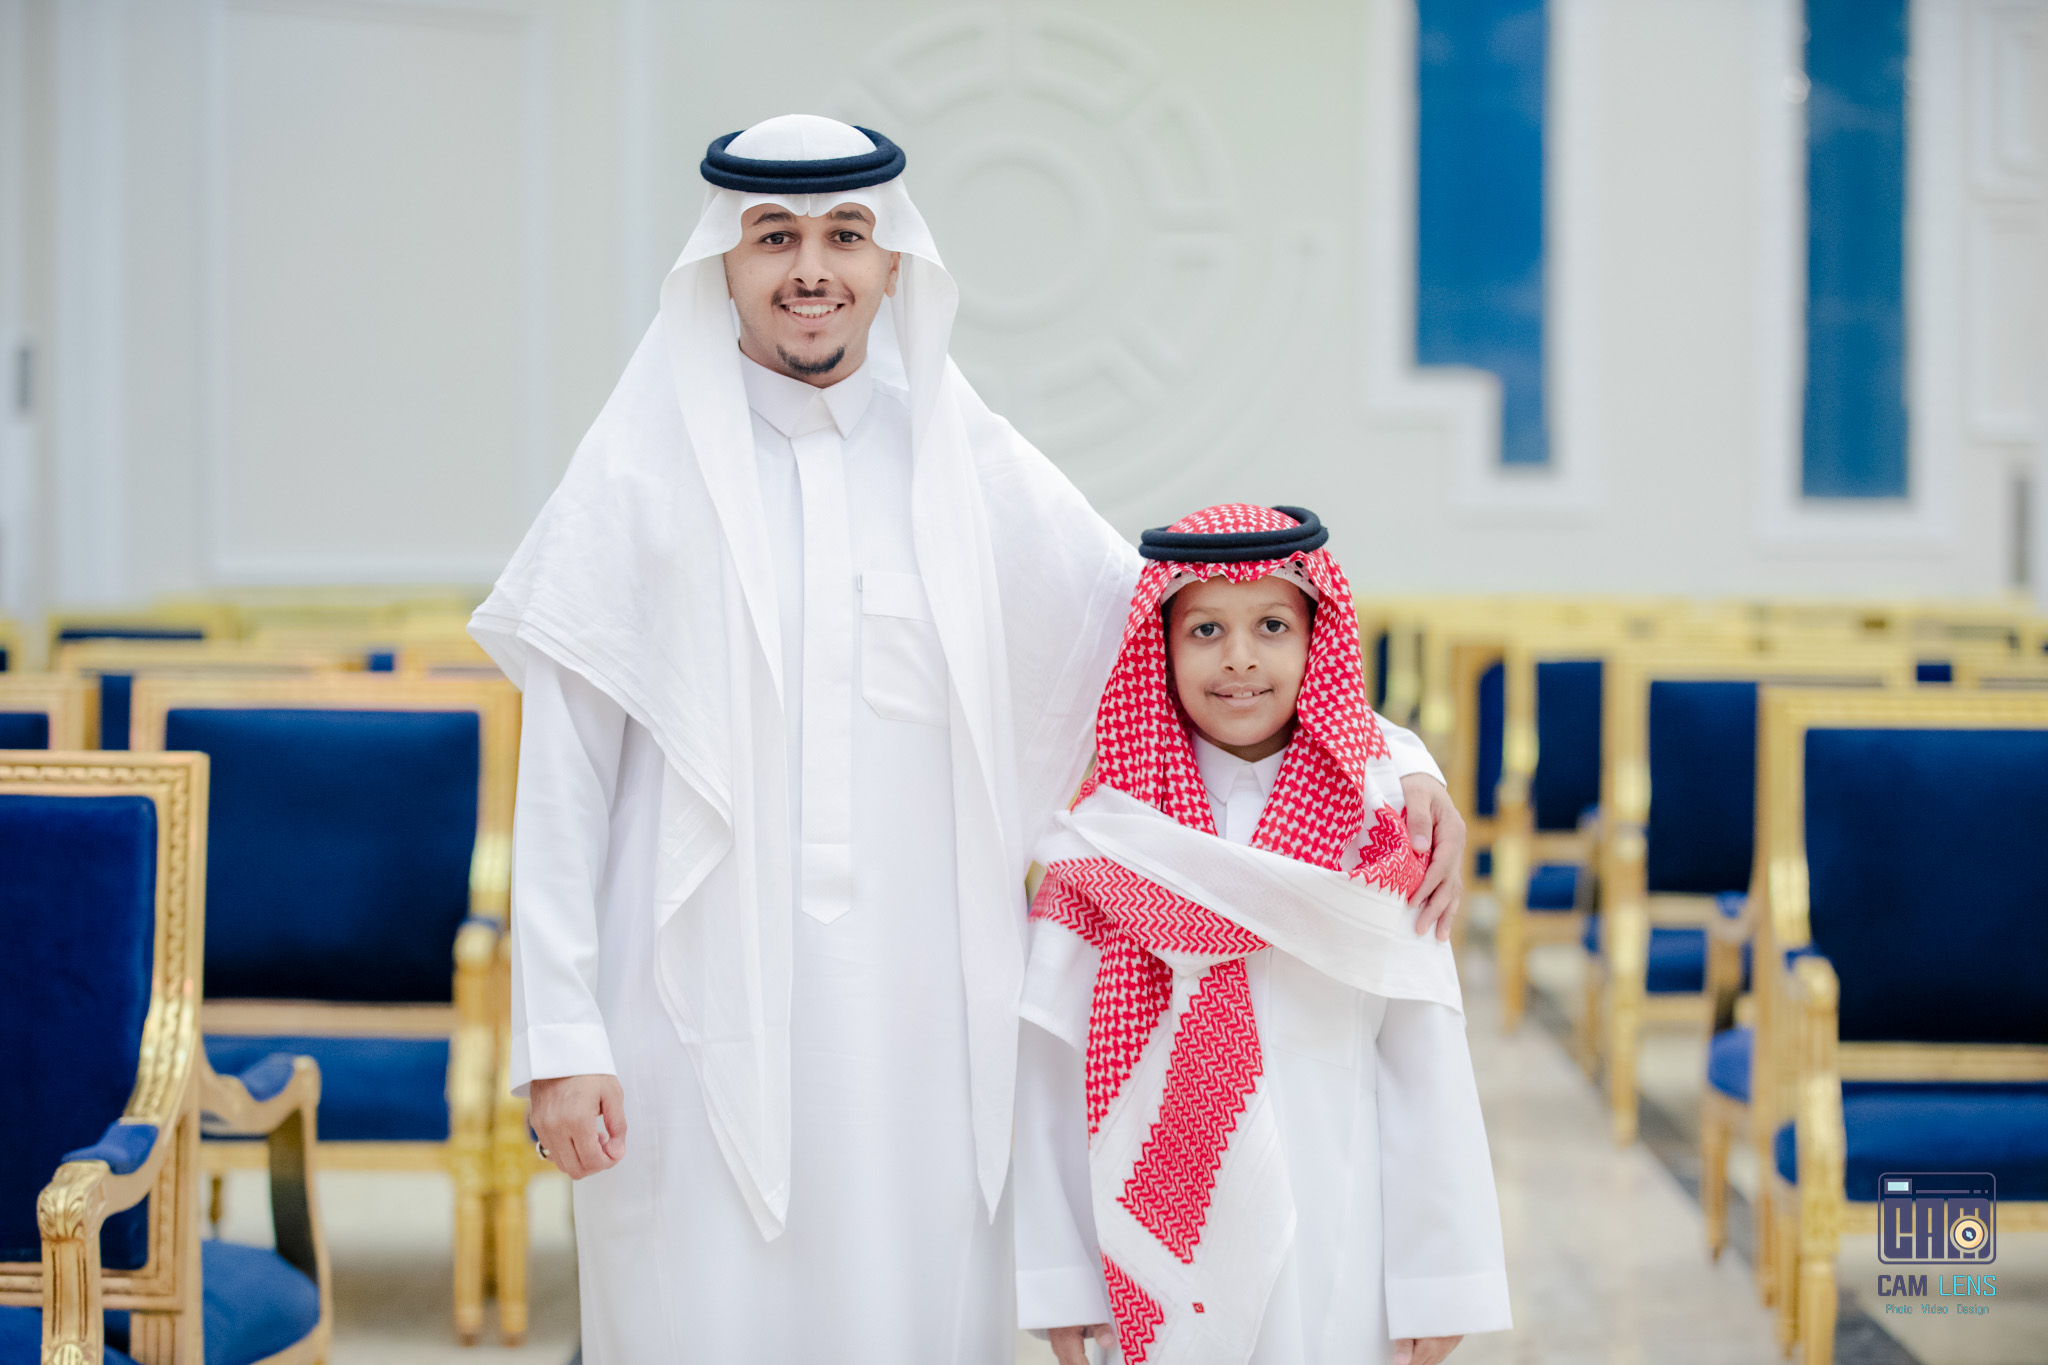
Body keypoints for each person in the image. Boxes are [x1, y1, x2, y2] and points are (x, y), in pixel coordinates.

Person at [471, 115, 1469, 1361]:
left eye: (846, 236)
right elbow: (560, 779)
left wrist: (1396, 762)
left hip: (929, 1021)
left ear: (895, 262)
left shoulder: (966, 464)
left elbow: (1181, 644)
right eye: (773, 238)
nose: (811, 270)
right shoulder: (633, 475)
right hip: (682, 1012)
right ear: (720, 261)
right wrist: (562, 1040)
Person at [1014, 505, 1510, 1365]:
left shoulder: (1380, 833)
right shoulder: (1105, 840)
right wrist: (1062, 1275)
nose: (1239, 657)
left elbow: (1425, 1057)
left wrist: (1439, 1276)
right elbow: (1053, 1068)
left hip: (1339, 1230)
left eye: (1272, 626)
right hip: (1149, 1242)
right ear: (1161, 647)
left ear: (1319, 641)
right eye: (1205, 628)